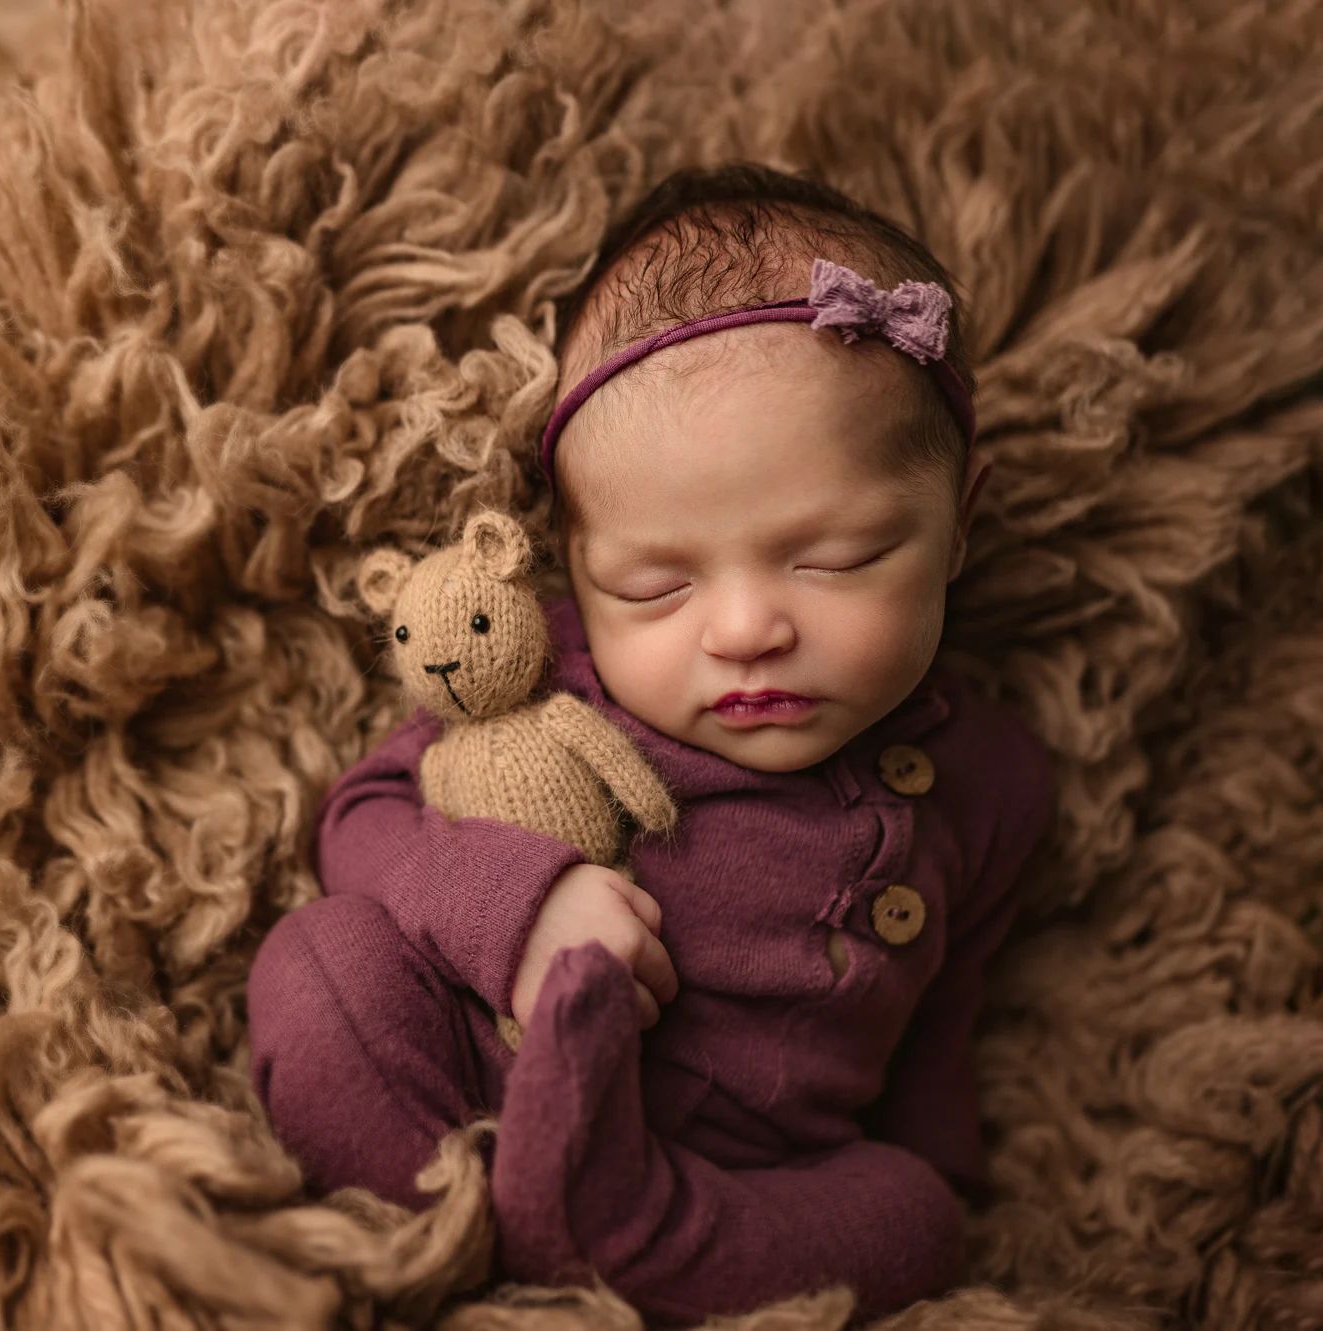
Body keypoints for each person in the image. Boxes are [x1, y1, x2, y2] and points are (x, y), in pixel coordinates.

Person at [246, 161, 1058, 1326]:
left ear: (958, 523)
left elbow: (944, 1003)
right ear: (576, 570)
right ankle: (455, 1217)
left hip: (749, 1181)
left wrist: (935, 1140)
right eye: (653, 583)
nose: (741, 630)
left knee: (917, 1210)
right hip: (474, 1084)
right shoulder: (554, 675)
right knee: (321, 967)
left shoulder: (995, 784)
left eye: (831, 559)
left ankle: (615, 1232)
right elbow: (363, 819)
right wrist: (518, 904)